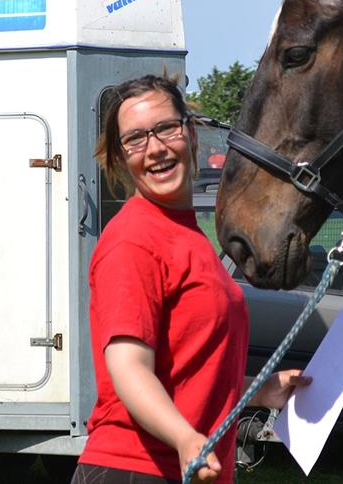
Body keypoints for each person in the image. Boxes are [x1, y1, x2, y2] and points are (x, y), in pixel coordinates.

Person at [73, 74, 310, 484]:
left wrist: (260, 389)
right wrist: (185, 438)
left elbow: (189, 372)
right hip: (137, 469)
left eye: (166, 128)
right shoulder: (133, 239)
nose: (155, 149)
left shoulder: (186, 233)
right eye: (135, 139)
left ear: (191, 132)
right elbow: (129, 369)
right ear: (121, 156)